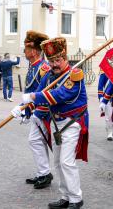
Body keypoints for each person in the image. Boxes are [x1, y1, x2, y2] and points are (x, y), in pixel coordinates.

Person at [22, 37, 88, 209]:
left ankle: (76, 198)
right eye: (51, 61)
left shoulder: (74, 75)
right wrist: (25, 107)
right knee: (58, 162)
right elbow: (39, 92)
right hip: (56, 124)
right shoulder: (50, 75)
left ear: (65, 58)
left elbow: (58, 96)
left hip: (71, 123)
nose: (54, 64)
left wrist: (34, 97)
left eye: (58, 60)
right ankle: (65, 196)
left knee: (67, 161)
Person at [11, 30, 53, 189]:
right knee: (37, 141)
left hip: (43, 112)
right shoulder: (33, 66)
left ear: (34, 51)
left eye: (26, 49)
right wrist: (25, 111)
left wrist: (27, 109)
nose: (24, 52)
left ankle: (45, 173)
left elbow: (42, 93)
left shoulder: (44, 67)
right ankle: (43, 173)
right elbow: (29, 91)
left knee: (35, 141)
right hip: (35, 111)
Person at [97, 70, 113, 141]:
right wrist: (101, 97)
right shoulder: (104, 73)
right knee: (108, 116)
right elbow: (100, 86)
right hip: (107, 98)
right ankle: (110, 132)